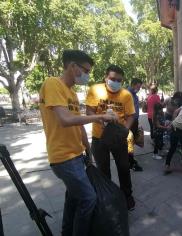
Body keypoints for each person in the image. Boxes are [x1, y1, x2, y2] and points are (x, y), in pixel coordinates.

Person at [39, 50, 116, 236]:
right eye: (86, 70)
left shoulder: (72, 92)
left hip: (77, 155)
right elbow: (65, 120)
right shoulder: (52, 84)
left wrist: (88, 153)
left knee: (73, 198)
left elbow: (78, 125)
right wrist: (100, 116)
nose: (88, 75)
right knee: (89, 199)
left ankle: (67, 232)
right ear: (73, 66)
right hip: (63, 158)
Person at [85, 64, 136, 210]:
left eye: (119, 80)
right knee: (103, 170)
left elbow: (131, 115)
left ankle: (127, 196)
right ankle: (107, 198)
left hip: (118, 137)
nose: (116, 82)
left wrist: (124, 130)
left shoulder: (126, 95)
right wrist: (99, 119)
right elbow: (89, 111)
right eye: (113, 79)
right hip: (99, 137)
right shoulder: (95, 89)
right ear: (106, 77)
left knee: (124, 167)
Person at [127, 78, 144, 171]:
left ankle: (131, 159)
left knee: (131, 142)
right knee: (129, 142)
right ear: (133, 84)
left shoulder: (134, 94)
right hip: (129, 122)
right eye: (138, 86)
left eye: (140, 87)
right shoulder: (127, 94)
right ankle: (130, 163)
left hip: (134, 121)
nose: (139, 89)